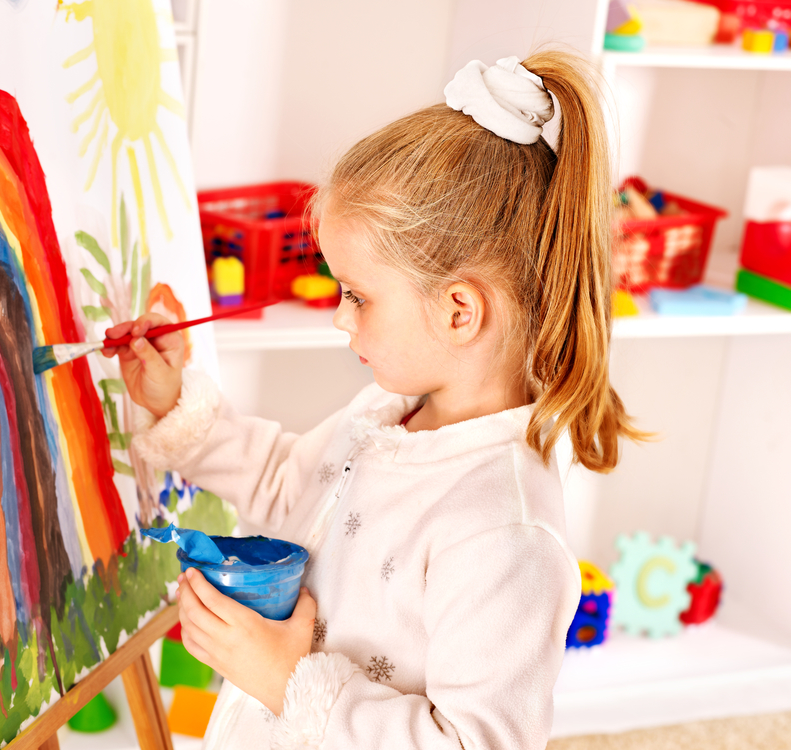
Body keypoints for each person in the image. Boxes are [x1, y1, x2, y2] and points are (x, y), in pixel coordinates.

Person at [104, 49, 643, 750]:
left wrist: (284, 678)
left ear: (459, 312)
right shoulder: (385, 417)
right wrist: (174, 401)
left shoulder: (505, 533)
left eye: (357, 295)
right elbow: (282, 483)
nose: (338, 316)